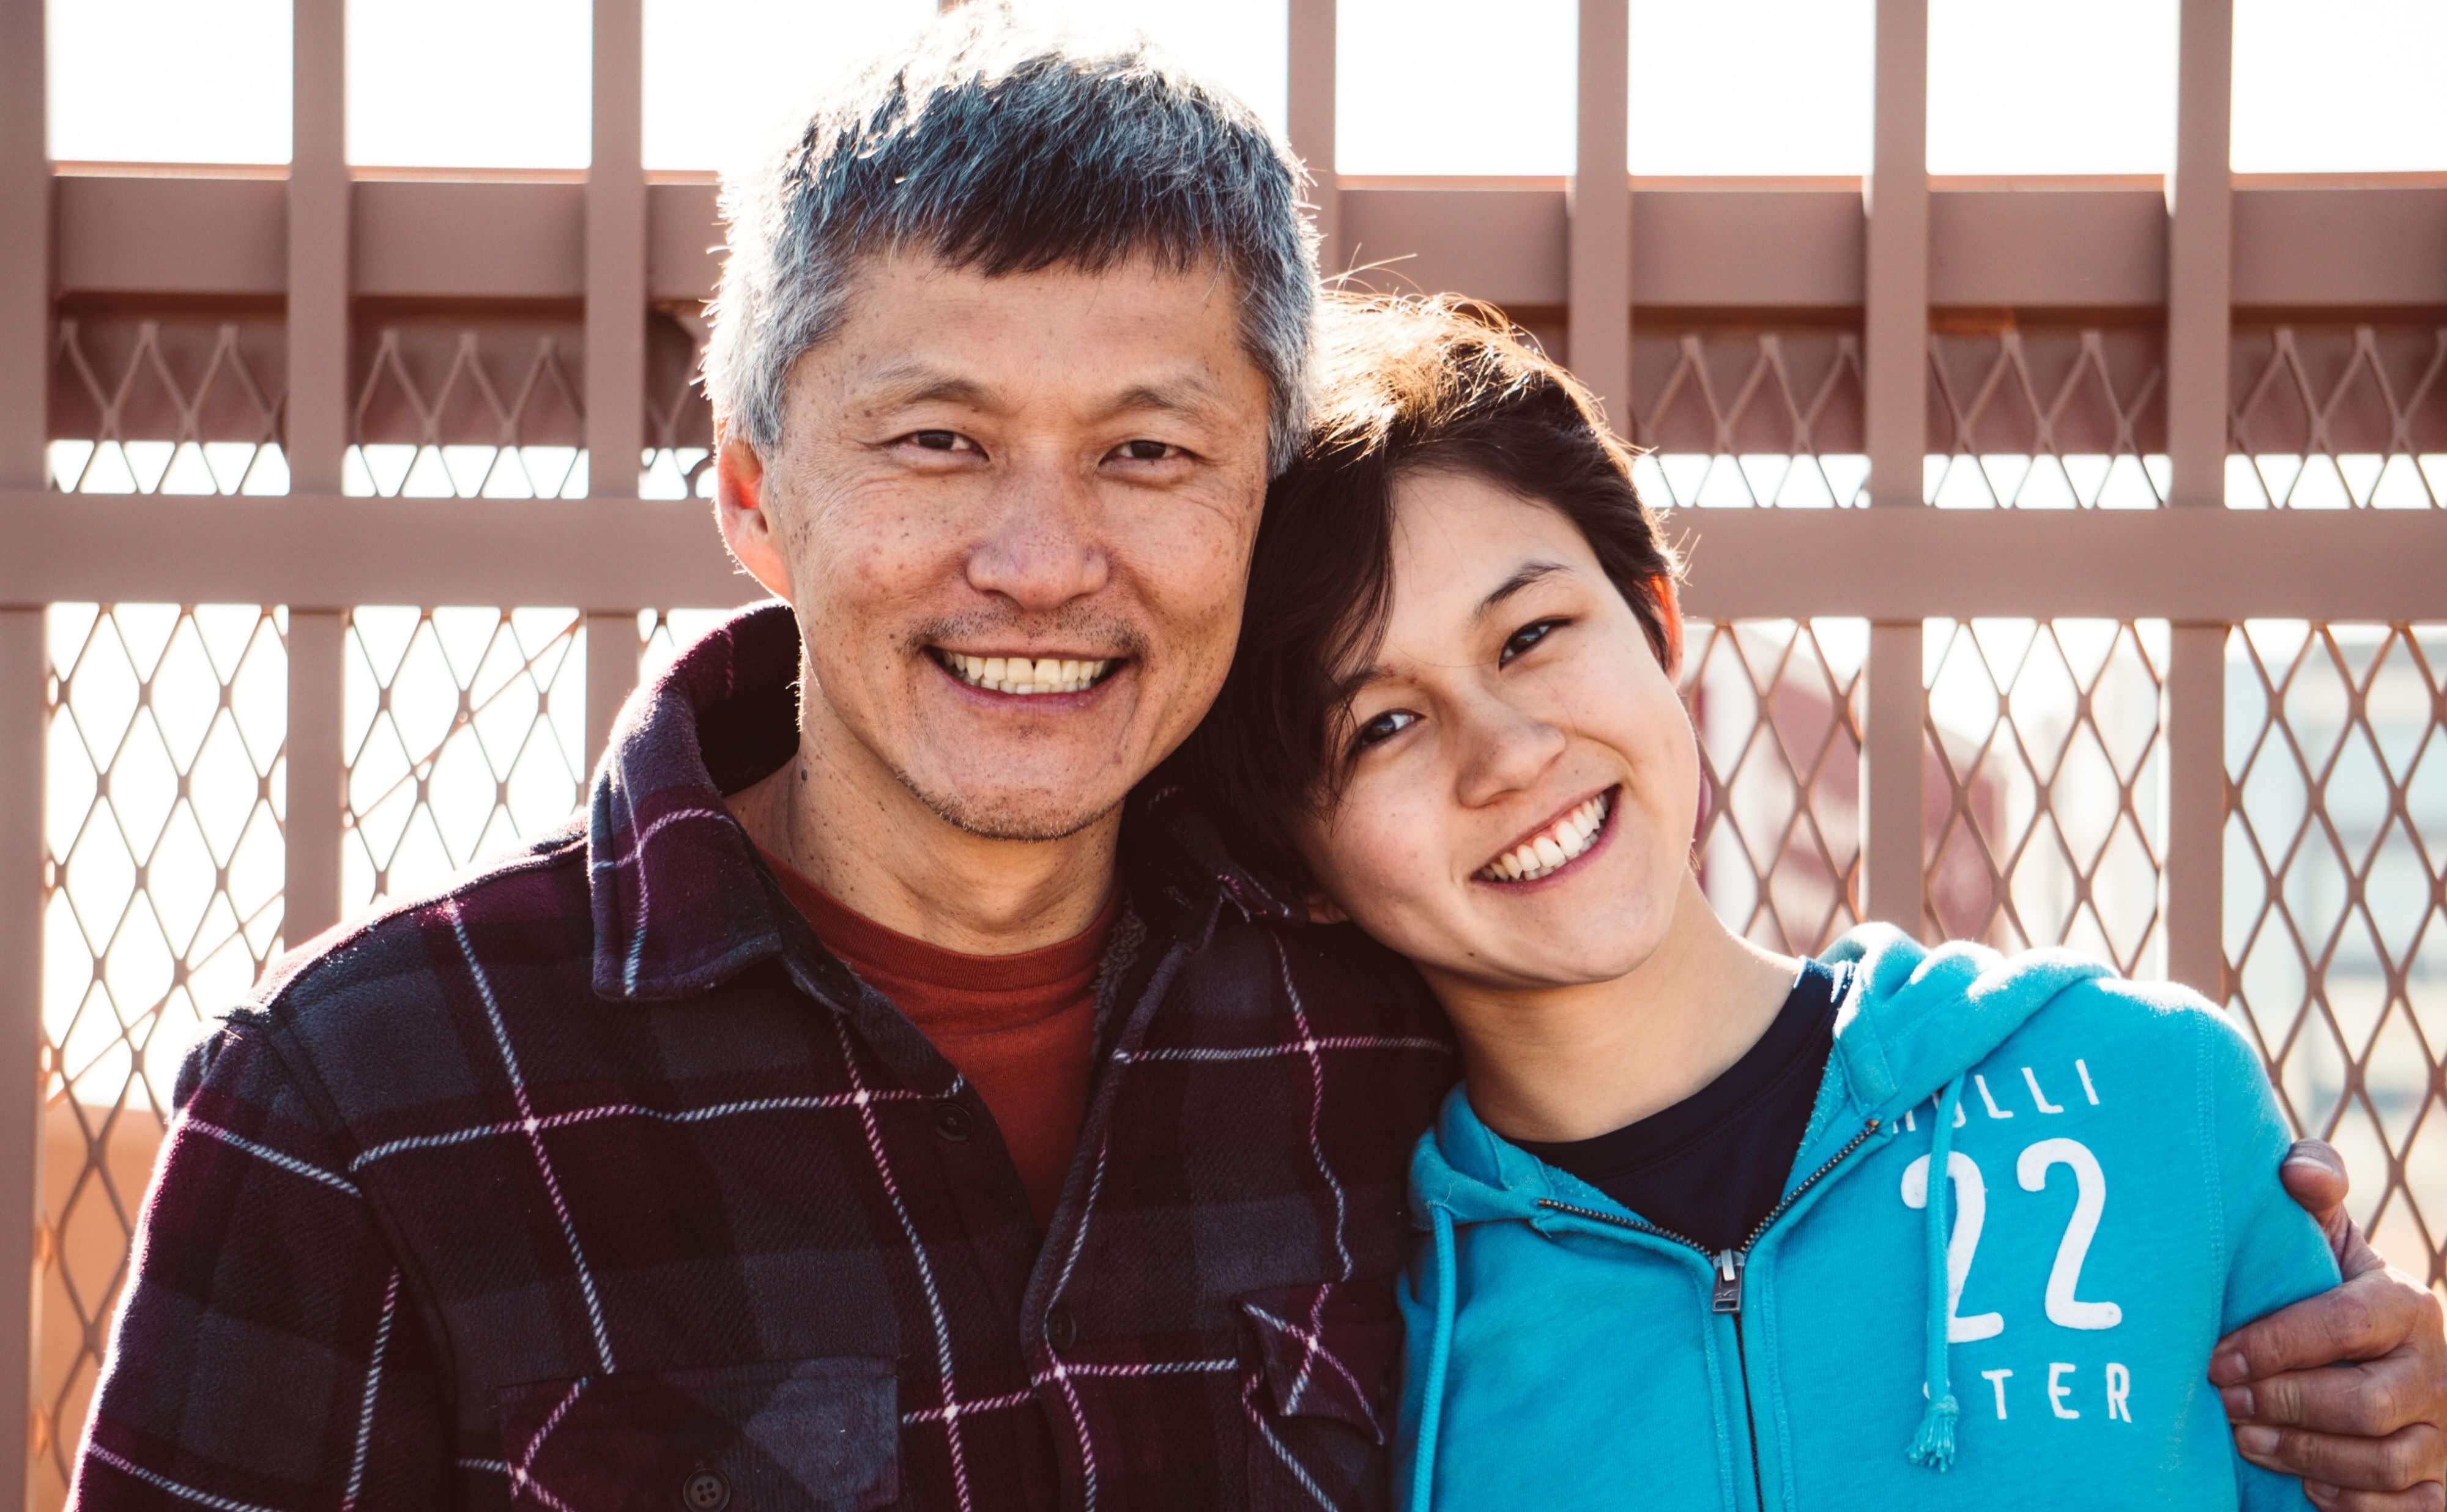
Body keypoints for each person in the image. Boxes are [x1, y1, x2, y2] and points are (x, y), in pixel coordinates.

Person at [70, 17, 2447, 1512]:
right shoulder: (366, 1109)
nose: (1040, 555)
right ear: (749, 489)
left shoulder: (1365, 1012)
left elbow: (1784, 1193)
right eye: (933, 439)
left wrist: (2299, 1356)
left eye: (1148, 447)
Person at [1176, 292, 2444, 1511]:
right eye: (1383, 724)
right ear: (1298, 864)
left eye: (1529, 636)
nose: (1503, 753)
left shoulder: (2142, 1088)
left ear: (1655, 622)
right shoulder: (1369, 1336)